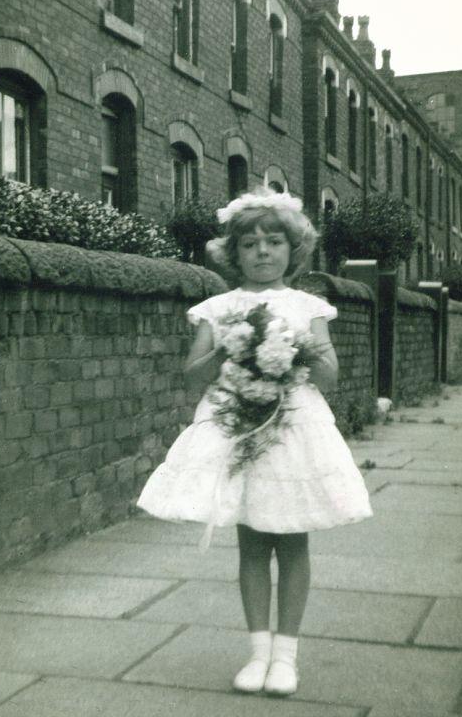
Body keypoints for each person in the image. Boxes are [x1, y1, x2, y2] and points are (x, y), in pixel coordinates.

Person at [137, 188, 372, 697]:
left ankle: (286, 657)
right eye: (249, 244)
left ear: (294, 250)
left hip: (292, 428)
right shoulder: (217, 307)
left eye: (273, 242)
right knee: (251, 540)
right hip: (236, 425)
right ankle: (258, 653)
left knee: (291, 537)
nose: (262, 252)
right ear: (233, 252)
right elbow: (192, 374)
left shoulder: (308, 305)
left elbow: (329, 375)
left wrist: (296, 350)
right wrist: (228, 347)